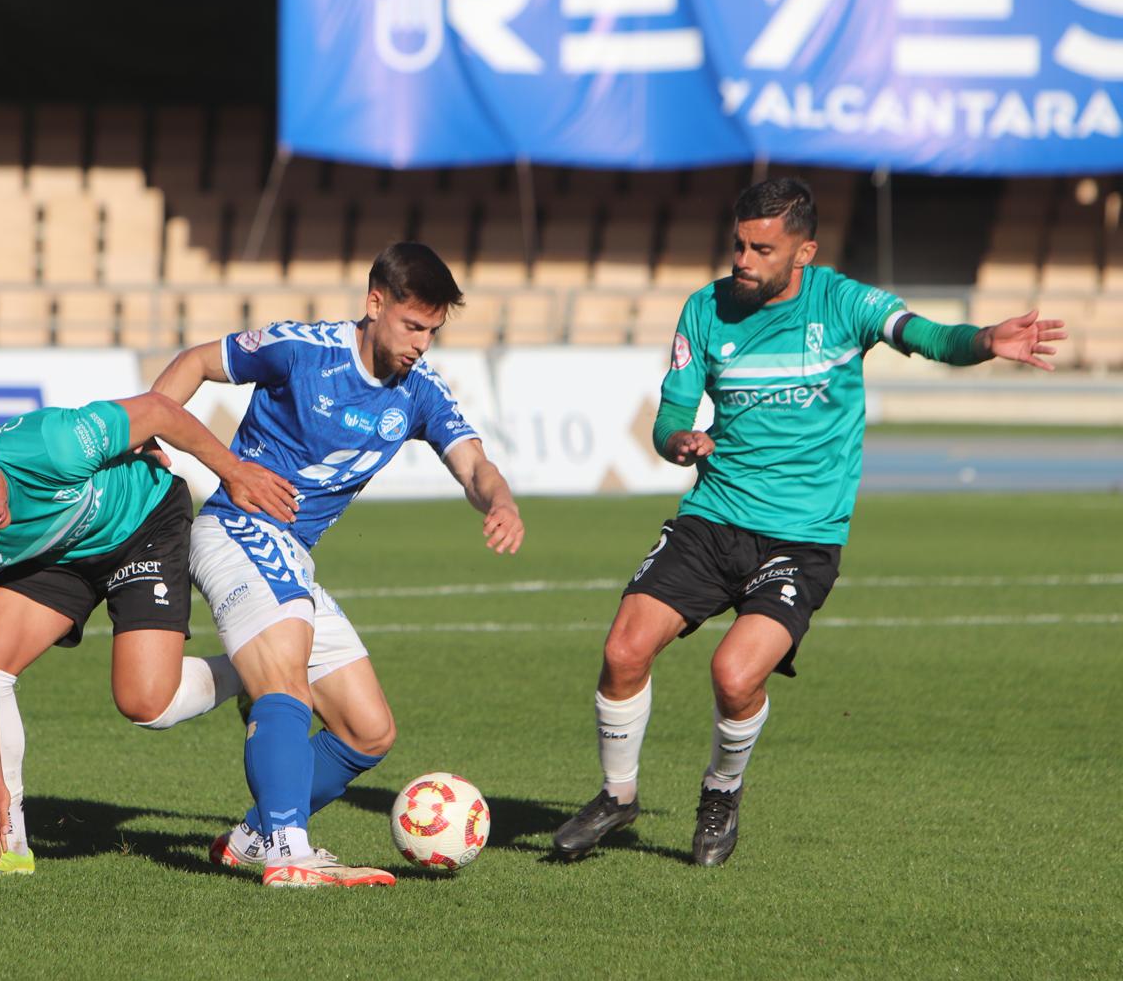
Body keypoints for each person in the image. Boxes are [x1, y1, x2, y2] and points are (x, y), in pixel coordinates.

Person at [551, 178, 1067, 867]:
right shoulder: (704, 309)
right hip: (713, 520)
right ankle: (618, 796)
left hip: (803, 539)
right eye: (738, 243)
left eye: (762, 248)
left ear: (805, 251)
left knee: (734, 676)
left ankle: (721, 792)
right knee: (623, 652)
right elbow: (672, 414)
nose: (743, 259)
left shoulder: (843, 302)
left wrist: (983, 340)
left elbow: (926, 336)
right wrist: (679, 441)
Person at [151, 240, 526, 888]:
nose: (420, 344)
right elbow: (194, 363)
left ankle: (251, 838)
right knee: (285, 683)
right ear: (374, 303)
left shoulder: (420, 392)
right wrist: (151, 440)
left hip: (290, 556)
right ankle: (290, 852)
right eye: (412, 326)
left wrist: (499, 500)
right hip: (237, 529)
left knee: (367, 730)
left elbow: (473, 463)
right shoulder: (302, 348)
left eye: (432, 332)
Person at [0, 400, 298, 877]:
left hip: (141, 522)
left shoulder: (53, 444)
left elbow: (157, 411)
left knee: (149, 704)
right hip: (60, 557)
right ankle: (11, 850)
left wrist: (234, 473)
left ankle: (255, 669)